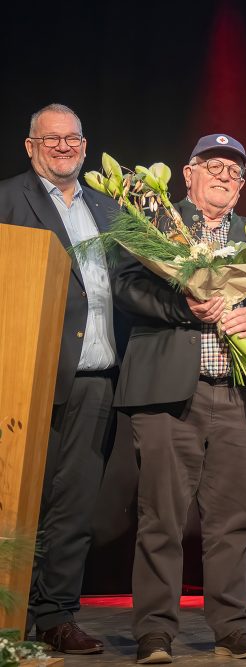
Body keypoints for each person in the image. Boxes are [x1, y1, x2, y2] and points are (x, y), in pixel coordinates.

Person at [113, 134, 246, 664]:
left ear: (242, 186)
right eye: (213, 166)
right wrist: (183, 309)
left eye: (234, 171)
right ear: (187, 173)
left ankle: (233, 627)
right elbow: (125, 287)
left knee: (234, 521)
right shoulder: (154, 224)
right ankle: (154, 631)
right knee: (161, 518)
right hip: (171, 393)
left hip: (241, 395)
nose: (224, 176)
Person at [0, 103, 119, 655]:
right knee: (16, 501)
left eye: (72, 138)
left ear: (85, 145)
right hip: (27, 372)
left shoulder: (107, 209)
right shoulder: (7, 200)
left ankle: (56, 615)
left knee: (74, 506)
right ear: (31, 147)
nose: (64, 146)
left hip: (96, 377)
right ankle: (10, 616)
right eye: (51, 139)